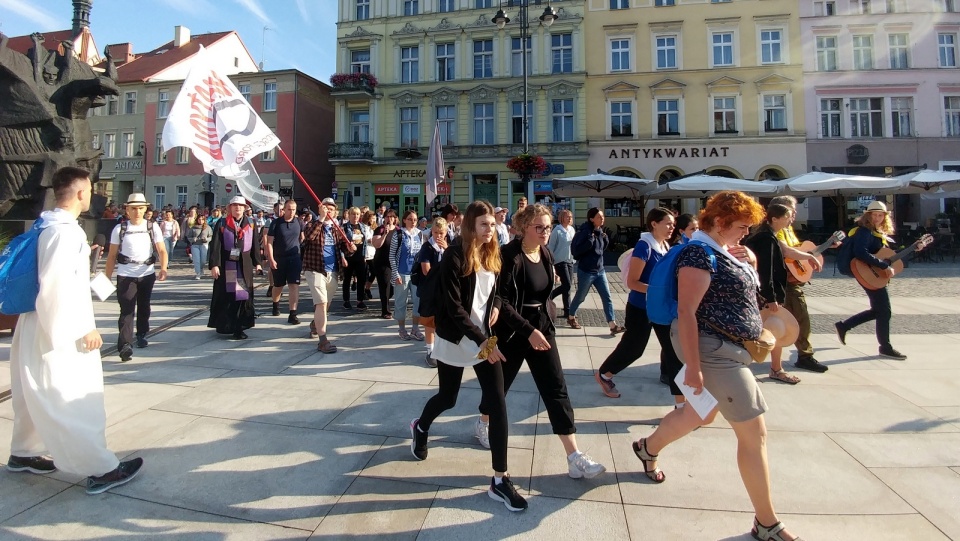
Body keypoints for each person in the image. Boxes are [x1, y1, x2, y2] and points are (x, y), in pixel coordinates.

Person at [632, 191, 801, 541]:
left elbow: (740, 295)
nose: (746, 232)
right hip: (715, 352)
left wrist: (750, 262)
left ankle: (646, 448)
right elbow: (686, 312)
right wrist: (693, 367)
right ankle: (767, 522)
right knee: (754, 435)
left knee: (698, 415)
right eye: (742, 226)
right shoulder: (698, 252)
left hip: (728, 348)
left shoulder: (723, 250)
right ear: (721, 222)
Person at [7, 166, 144, 495]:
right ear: (81, 192)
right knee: (71, 395)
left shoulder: (47, 225)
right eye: (91, 189)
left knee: (33, 391)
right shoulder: (65, 233)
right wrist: (84, 329)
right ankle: (101, 468)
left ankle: (23, 452)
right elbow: (56, 288)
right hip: (59, 325)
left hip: (35, 320)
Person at [409, 201, 525, 512]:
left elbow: (499, 289)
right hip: (458, 338)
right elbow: (455, 309)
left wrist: (497, 305)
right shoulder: (454, 255)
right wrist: (484, 343)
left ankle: (500, 479)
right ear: (471, 225)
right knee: (448, 398)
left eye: (492, 224)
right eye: (484, 225)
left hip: (485, 338)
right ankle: (421, 426)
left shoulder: (492, 251)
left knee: (498, 402)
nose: (491, 230)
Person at [487, 203, 607, 479]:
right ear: (522, 228)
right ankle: (484, 421)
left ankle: (574, 456)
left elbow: (545, 292)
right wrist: (527, 329)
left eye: (548, 227)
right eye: (539, 227)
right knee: (496, 389)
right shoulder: (508, 255)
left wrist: (542, 316)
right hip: (510, 332)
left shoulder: (545, 252)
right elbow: (501, 300)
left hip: (541, 328)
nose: (544, 232)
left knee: (556, 388)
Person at [595, 208, 683, 402]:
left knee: (673, 351)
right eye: (668, 223)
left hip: (660, 308)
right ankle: (604, 374)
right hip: (640, 308)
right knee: (634, 349)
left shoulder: (665, 246)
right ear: (654, 224)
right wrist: (659, 290)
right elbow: (632, 282)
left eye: (673, 224)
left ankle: (682, 404)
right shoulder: (645, 246)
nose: (672, 227)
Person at [744, 204, 817, 384]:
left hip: (765, 292)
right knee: (768, 329)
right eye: (788, 216)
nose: (791, 219)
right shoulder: (766, 238)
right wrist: (771, 297)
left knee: (773, 328)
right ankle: (768, 368)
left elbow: (787, 251)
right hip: (764, 294)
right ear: (775, 219)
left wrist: (809, 257)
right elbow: (765, 270)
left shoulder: (771, 235)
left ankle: (776, 368)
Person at [835, 201, 909, 360]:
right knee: (884, 311)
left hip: (870, 272)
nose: (877, 218)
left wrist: (911, 249)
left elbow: (880, 253)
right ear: (868, 215)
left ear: (885, 217)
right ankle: (885, 347)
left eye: (880, 215)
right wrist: (883, 266)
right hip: (866, 272)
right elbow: (861, 252)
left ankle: (844, 326)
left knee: (879, 310)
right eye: (874, 215)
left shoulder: (875, 231)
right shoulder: (864, 231)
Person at [104, 193, 168, 362]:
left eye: (140, 208)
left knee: (144, 306)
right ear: (127, 210)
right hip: (126, 274)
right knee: (126, 310)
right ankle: (125, 345)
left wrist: (163, 268)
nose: (137, 212)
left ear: (146, 209)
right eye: (133, 208)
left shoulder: (152, 227)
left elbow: (161, 250)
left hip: (146, 273)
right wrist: (106, 277)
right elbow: (111, 256)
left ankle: (141, 333)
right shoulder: (120, 229)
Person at [769, 195, 829, 373]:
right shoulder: (774, 230)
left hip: (790, 280)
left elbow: (797, 249)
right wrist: (807, 256)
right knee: (797, 317)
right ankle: (804, 356)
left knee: (791, 319)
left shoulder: (787, 229)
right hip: (782, 281)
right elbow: (786, 252)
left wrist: (821, 248)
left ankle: (797, 357)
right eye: (791, 211)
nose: (794, 214)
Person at [303, 198, 355, 353]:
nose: (328, 211)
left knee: (326, 304)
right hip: (314, 268)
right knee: (321, 302)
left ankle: (316, 324)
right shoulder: (312, 224)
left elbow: (344, 248)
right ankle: (323, 340)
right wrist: (321, 219)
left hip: (332, 270)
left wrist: (351, 249)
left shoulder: (337, 229)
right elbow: (309, 237)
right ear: (320, 209)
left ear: (336, 212)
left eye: (331, 209)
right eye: (325, 208)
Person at [208, 197, 261, 339]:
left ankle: (240, 326)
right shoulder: (223, 223)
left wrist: (258, 263)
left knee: (243, 296)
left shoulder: (251, 223)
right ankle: (228, 325)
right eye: (235, 205)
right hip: (228, 265)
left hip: (245, 265)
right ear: (230, 208)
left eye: (240, 205)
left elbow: (255, 244)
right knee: (230, 296)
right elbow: (215, 246)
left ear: (245, 208)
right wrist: (214, 265)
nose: (238, 207)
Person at [566, 208, 624, 335]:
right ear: (591, 219)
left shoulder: (600, 231)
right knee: (581, 296)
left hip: (600, 271)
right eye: (599, 217)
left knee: (607, 297)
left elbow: (602, 249)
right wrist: (590, 241)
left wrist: (606, 239)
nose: (602, 219)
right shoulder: (585, 232)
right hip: (586, 271)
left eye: (602, 216)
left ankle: (612, 324)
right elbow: (578, 251)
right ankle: (571, 316)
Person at [267, 199, 305, 324]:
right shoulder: (276, 223)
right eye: (289, 209)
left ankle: (293, 314)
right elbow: (269, 242)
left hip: (294, 258)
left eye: (294, 209)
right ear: (284, 210)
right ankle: (275, 305)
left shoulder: (299, 222)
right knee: (278, 286)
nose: (292, 212)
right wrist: (271, 259)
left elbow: (303, 237)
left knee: (294, 285)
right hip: (279, 258)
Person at [417, 218, 449, 367]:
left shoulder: (449, 246)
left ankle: (441, 348)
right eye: (435, 232)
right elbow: (426, 270)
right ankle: (430, 351)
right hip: (430, 291)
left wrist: (447, 251)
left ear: (446, 232)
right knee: (429, 322)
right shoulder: (427, 247)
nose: (438, 236)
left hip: (445, 291)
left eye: (441, 233)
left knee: (443, 321)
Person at [391, 210, 424, 340]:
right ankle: (402, 329)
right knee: (400, 303)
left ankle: (415, 328)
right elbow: (392, 255)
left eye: (415, 219)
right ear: (404, 220)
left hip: (416, 274)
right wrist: (395, 274)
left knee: (418, 301)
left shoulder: (420, 234)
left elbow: (422, 255)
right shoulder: (398, 234)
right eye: (410, 219)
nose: (413, 222)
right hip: (402, 273)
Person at [547, 208, 576, 319]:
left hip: (570, 260)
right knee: (567, 284)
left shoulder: (572, 230)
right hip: (560, 261)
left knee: (567, 288)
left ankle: (567, 311)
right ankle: (550, 296)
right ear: (562, 218)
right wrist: (551, 262)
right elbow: (551, 247)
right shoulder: (557, 230)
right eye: (567, 216)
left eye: (570, 217)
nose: (569, 219)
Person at [342, 206, 371, 310]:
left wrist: (365, 256)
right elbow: (340, 244)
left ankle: (360, 301)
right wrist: (342, 257)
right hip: (348, 257)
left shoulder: (362, 226)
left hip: (360, 256)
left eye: (357, 214)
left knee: (361, 279)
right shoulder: (344, 227)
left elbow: (365, 243)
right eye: (353, 214)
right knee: (347, 279)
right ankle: (346, 300)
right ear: (349, 215)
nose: (355, 216)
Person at [372, 210, 398, 319]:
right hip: (382, 262)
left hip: (394, 262)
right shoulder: (380, 229)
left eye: (392, 217)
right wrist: (384, 234)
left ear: (395, 218)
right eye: (387, 217)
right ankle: (385, 311)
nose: (389, 219)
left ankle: (387, 299)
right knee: (385, 286)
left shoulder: (398, 231)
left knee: (391, 288)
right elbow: (377, 245)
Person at [186, 212, 213, 279]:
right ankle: (198, 273)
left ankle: (201, 269)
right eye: (199, 219)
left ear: (204, 220)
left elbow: (211, 236)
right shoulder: (193, 228)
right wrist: (192, 239)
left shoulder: (207, 228)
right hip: (195, 245)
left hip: (204, 245)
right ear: (197, 220)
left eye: (202, 219)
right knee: (196, 260)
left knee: (203, 260)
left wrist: (207, 239)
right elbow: (188, 236)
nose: (200, 221)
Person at [361, 210, 379, 302]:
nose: (373, 220)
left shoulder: (374, 228)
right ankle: (363, 291)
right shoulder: (363, 227)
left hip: (372, 252)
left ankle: (367, 288)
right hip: (365, 253)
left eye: (374, 218)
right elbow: (363, 239)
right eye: (372, 218)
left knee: (374, 272)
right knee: (364, 274)